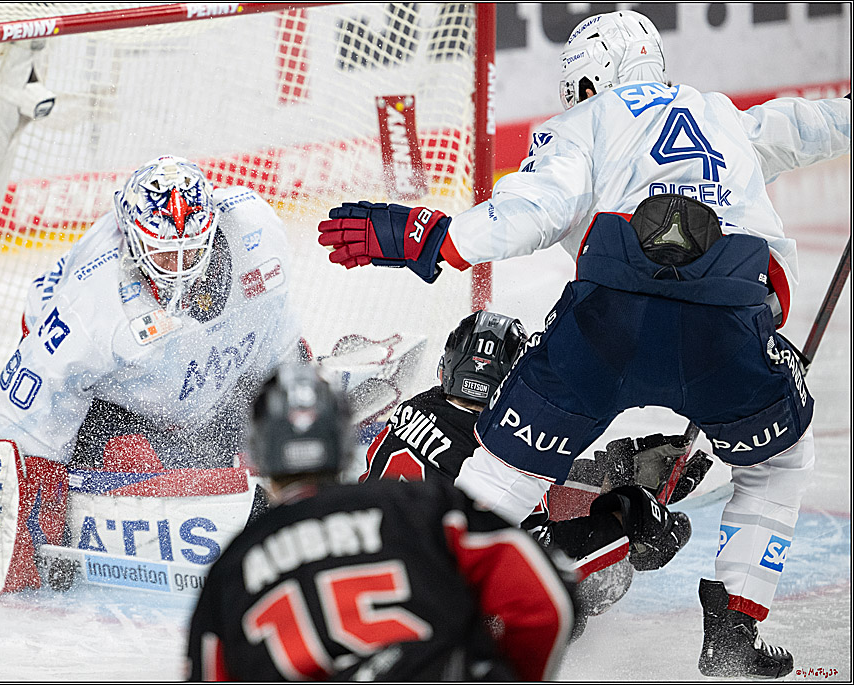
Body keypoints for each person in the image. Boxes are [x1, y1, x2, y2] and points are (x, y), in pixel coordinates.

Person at [317, 9, 851, 678]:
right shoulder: (723, 116)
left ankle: (411, 611)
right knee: (778, 463)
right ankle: (734, 629)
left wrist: (433, 239)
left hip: (606, 322)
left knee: (501, 474)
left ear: (591, 77)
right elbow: (811, 124)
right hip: (729, 325)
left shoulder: (582, 122)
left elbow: (538, 211)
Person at [186, 363, 576, 681]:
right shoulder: (422, 509)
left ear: (259, 453)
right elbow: (546, 600)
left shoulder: (230, 570)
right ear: (342, 442)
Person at [359, 308, 707, 633]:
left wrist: (607, 476)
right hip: (441, 616)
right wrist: (627, 521)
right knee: (604, 581)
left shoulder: (420, 404)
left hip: (375, 575)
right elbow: (538, 556)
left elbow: (502, 485)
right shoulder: (496, 447)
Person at [0, 155, 301, 470]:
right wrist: (33, 472)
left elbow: (274, 326)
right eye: (163, 253)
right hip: (107, 397)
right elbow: (22, 416)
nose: (178, 269)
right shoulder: (93, 297)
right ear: (131, 236)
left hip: (188, 389)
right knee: (132, 458)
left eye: (191, 251)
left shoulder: (254, 228)